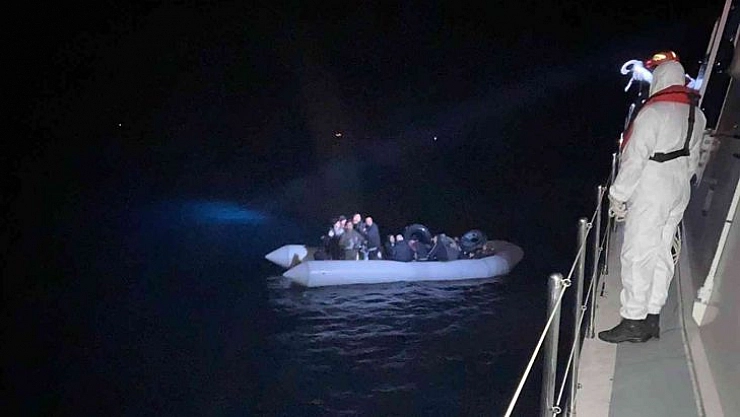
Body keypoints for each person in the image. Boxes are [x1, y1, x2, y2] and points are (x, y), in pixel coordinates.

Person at [599, 58, 707, 344]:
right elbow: (693, 159)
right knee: (662, 252)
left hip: (653, 186)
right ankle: (652, 315)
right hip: (679, 186)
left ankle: (633, 320)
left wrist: (618, 196)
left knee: (637, 252)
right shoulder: (696, 114)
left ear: (659, 80)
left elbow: (634, 159)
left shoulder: (653, 113)